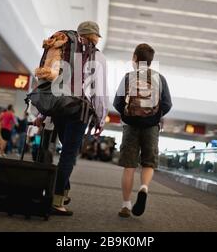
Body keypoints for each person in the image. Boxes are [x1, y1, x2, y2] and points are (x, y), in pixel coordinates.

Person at [33, 21, 108, 216]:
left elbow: (50, 81)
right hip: (78, 110)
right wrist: (101, 118)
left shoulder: (64, 48)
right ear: (95, 37)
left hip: (58, 107)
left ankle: (63, 192)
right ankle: (57, 200)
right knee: (68, 154)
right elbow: (99, 91)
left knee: (67, 152)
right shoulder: (97, 57)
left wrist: (42, 113)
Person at [113, 43, 172, 218]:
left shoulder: (128, 76)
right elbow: (168, 104)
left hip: (131, 126)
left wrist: (127, 116)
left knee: (129, 166)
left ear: (135, 58)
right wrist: (154, 117)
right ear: (151, 61)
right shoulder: (160, 78)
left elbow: (117, 102)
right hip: (151, 127)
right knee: (148, 162)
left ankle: (125, 205)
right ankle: (144, 188)